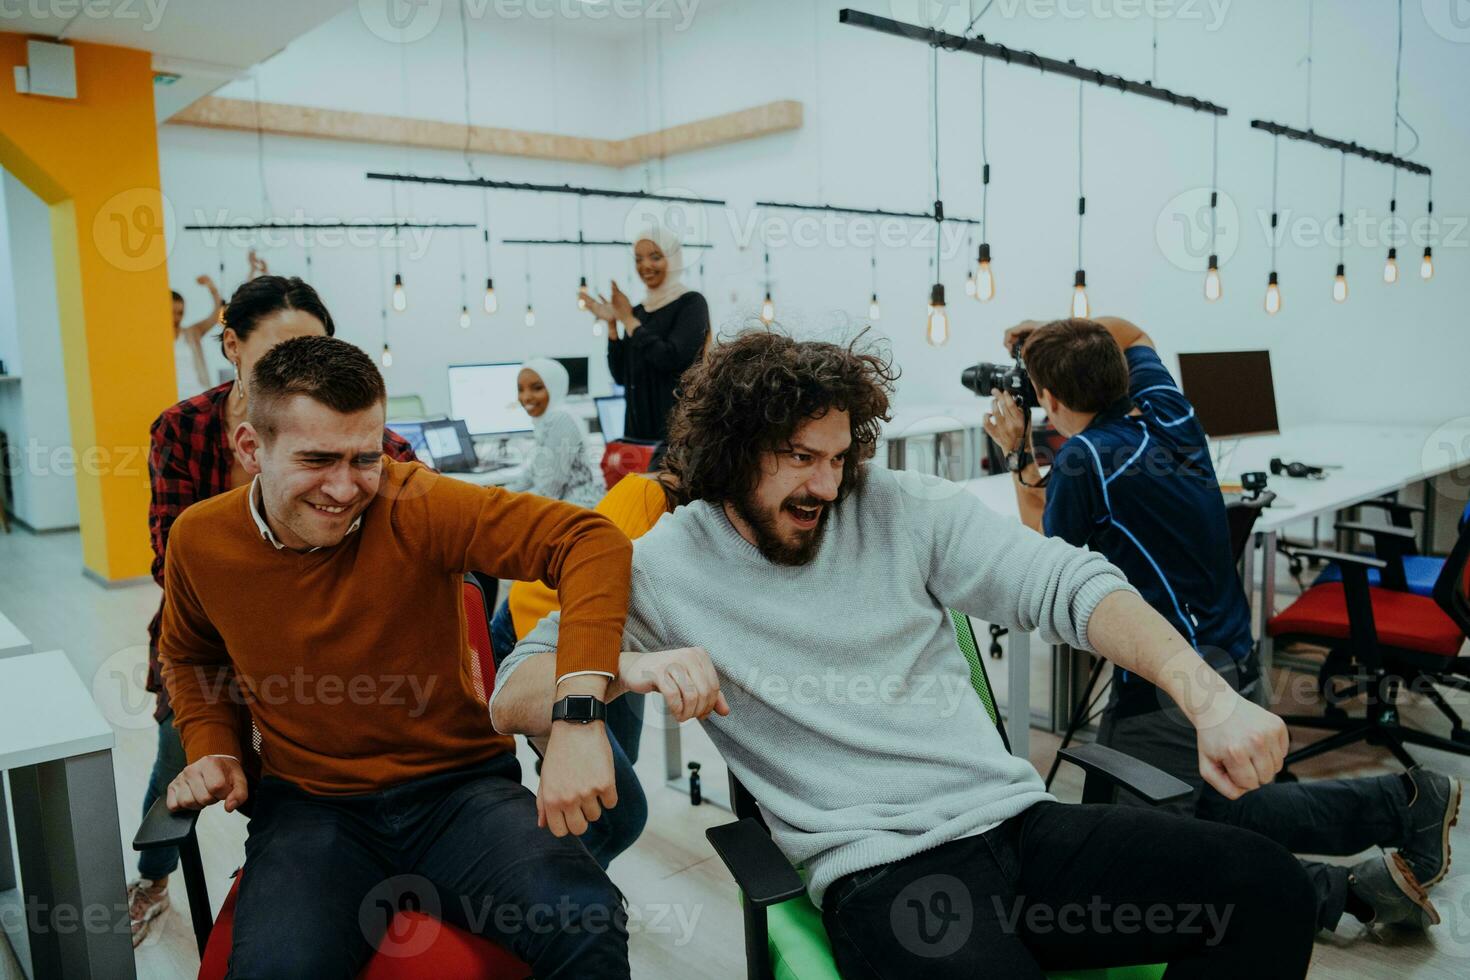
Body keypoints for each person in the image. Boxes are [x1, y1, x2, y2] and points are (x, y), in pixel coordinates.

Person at [491, 329, 1318, 978]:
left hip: (1015, 826)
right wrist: (624, 670)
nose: (827, 485)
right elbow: (512, 688)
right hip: (888, 874)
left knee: (1271, 890)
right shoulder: (663, 567)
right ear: (733, 450)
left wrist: (1207, 696)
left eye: (840, 457)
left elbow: (1068, 583)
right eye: (801, 459)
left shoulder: (900, 508)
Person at [158, 336, 632, 977]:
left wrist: (577, 714)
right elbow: (190, 655)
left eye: (364, 457)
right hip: (312, 806)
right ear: (251, 448)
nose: (346, 486)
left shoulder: (415, 502)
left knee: (586, 919)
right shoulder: (201, 540)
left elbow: (587, 540)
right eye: (318, 459)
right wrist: (213, 745)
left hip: (459, 794)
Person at [982, 315, 1461, 933]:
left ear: (1047, 399)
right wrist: (1052, 331)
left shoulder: (1083, 461)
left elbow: (1050, 560)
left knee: (1141, 850)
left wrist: (1018, 451)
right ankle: (1406, 803)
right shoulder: (1168, 408)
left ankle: (1343, 892)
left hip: (1172, 679)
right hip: (1233, 650)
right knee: (1229, 813)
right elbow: (1135, 332)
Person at [130, 277, 417, 947]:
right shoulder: (184, 428)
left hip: (329, 648)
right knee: (182, 749)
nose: (302, 372)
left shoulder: (361, 438)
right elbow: (169, 563)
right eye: (283, 350)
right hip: (214, 638)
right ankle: (153, 878)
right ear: (231, 345)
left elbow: (414, 507)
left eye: (318, 351)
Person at [491, 470, 684, 869]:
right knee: (618, 814)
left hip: (609, 646)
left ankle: (573, 883)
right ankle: (551, 902)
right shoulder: (648, 495)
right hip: (538, 637)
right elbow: (586, 590)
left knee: (616, 766)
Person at [587, 226, 710, 444]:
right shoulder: (639, 312)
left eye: (655, 257)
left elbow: (672, 358)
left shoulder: (691, 303)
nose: (645, 266)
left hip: (677, 436)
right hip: (636, 437)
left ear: (673, 259)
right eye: (638, 259)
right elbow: (621, 377)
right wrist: (614, 326)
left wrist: (629, 322)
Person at [502, 357, 601, 509]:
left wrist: (503, 504)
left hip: (579, 510)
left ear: (554, 387)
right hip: (561, 507)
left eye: (537, 388)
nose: (525, 397)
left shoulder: (561, 419)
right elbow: (530, 477)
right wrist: (495, 495)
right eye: (520, 389)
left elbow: (548, 491)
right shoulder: (545, 421)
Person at [171, 275, 221, 399]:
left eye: (180, 313)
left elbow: (215, 316)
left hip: (198, 397)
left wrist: (213, 290)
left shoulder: (192, 332)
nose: (176, 318)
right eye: (172, 312)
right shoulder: (154, 338)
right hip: (172, 401)